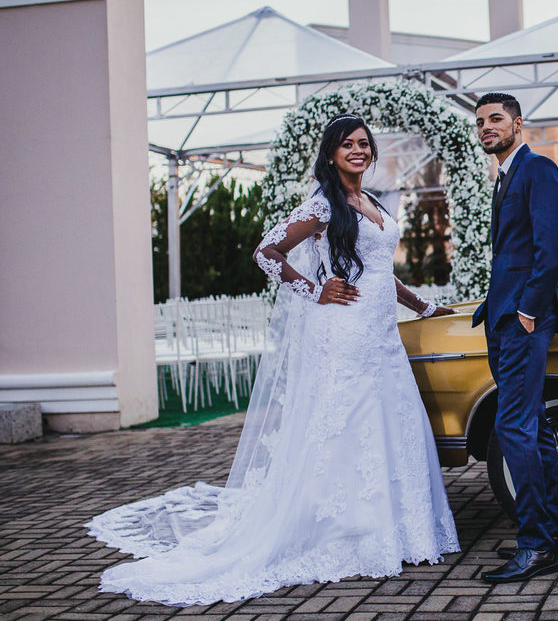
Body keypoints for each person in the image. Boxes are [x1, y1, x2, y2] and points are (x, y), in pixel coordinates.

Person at [86, 114, 460, 606]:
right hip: (343, 331)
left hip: (380, 335)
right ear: (331, 154)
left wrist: (424, 307)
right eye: (348, 144)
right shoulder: (323, 204)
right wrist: (314, 289)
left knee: (390, 423)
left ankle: (400, 528)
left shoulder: (371, 202)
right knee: (348, 424)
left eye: (364, 144)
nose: (358, 151)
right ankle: (348, 534)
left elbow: (377, 275)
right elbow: (267, 252)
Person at [470, 93, 558, 583]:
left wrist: (529, 310)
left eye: (495, 119)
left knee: (512, 429)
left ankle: (534, 546)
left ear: (517, 123)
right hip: (503, 318)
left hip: (523, 321)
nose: (487, 127)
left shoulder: (538, 169)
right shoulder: (504, 176)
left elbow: (552, 246)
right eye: (480, 122)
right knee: (532, 426)